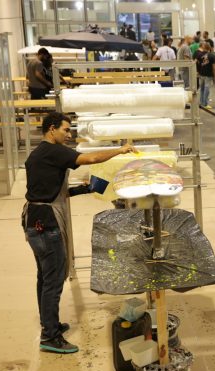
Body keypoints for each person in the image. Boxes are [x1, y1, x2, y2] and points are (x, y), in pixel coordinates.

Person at [24, 112, 137, 353]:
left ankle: (50, 324)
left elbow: (49, 189)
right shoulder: (53, 151)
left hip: (35, 221)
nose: (68, 134)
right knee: (53, 280)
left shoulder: (39, 154)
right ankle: (50, 337)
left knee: (45, 277)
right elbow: (92, 157)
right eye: (65, 130)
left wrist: (86, 189)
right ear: (52, 129)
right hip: (45, 224)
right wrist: (121, 150)